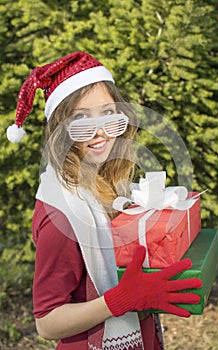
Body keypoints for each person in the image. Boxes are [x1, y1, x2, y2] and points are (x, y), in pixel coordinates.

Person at [7, 52, 202, 350]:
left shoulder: (112, 185)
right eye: (81, 119)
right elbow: (46, 321)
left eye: (108, 113)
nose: (100, 131)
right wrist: (121, 299)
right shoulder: (61, 213)